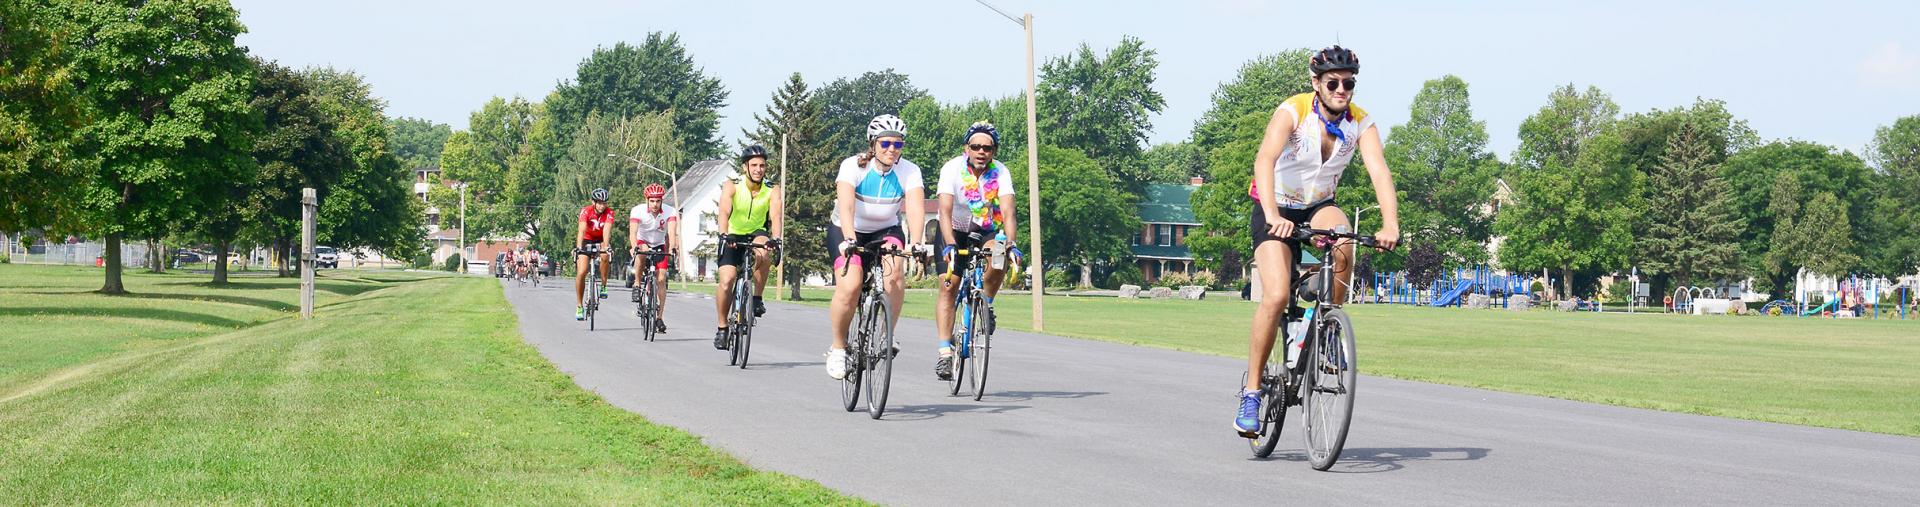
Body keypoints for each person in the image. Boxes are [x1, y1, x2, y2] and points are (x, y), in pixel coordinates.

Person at [1235, 46, 1402, 436]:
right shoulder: (1292, 111)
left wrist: (1391, 223)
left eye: (1349, 83)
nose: (1342, 89)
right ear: (1317, 84)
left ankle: (1324, 327)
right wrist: (1274, 216)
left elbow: (1379, 171)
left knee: (1344, 239)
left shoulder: (1361, 122)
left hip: (1317, 205)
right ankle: (1252, 391)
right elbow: (1264, 160)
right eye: (1333, 83)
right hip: (1275, 205)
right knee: (1276, 296)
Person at [825, 114, 929, 380]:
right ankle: (838, 347)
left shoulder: (909, 170)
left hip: (886, 230)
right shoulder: (853, 166)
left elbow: (916, 208)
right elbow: (846, 207)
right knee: (850, 286)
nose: (892, 149)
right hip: (847, 229)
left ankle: (886, 336)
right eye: (885, 144)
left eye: (898, 144)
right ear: (873, 144)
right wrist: (849, 239)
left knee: (895, 273)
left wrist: (917, 242)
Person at [932, 121, 1018, 380]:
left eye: (987, 148)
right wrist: (949, 243)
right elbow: (944, 212)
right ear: (966, 148)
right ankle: (945, 353)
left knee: (1000, 254)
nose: (981, 152)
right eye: (976, 146)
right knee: (949, 286)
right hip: (953, 229)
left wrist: (1011, 243)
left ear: (994, 151)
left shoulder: (1001, 172)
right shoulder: (952, 169)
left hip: (986, 228)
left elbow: (1008, 212)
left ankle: (986, 304)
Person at [713, 145, 784, 349]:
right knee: (726, 281)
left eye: (762, 165)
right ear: (745, 167)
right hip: (733, 233)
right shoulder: (733, 185)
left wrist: (777, 239)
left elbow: (776, 216)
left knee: (764, 252)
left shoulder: (772, 188)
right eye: (754, 165)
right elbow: (724, 211)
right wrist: (724, 234)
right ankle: (722, 328)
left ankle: (757, 298)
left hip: (756, 233)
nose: (758, 169)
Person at [630, 183, 678, 333]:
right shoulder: (637, 211)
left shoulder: (670, 211)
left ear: (662, 201)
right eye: (652, 201)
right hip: (642, 242)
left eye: (658, 201)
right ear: (647, 200)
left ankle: (659, 318)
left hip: (659, 244)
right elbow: (633, 232)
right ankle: (637, 284)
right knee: (642, 253)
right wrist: (634, 246)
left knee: (661, 279)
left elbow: (671, 232)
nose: (655, 204)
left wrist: (672, 248)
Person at [574, 188, 618, 321]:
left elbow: (607, 231)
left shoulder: (610, 213)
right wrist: (578, 247)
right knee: (582, 271)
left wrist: (606, 246)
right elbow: (581, 230)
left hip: (600, 239)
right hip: (586, 239)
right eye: (599, 203)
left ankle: (604, 285)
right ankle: (579, 305)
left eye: (604, 203)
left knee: (605, 256)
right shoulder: (586, 211)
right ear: (593, 202)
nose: (602, 206)